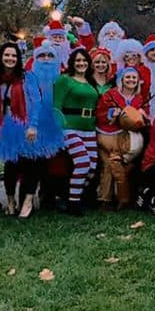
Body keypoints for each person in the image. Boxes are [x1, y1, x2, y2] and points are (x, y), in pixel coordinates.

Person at [0, 42, 65, 219]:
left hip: (26, 126)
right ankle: (11, 200)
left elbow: (36, 101)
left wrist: (33, 125)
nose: (10, 58)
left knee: (32, 164)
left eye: (14, 56)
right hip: (5, 127)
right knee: (11, 166)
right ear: (1, 57)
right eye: (7, 55)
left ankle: (28, 200)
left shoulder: (27, 77)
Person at [53, 48, 101, 216]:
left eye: (84, 60)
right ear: (72, 62)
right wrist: (59, 128)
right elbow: (56, 106)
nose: (81, 63)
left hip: (88, 128)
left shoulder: (90, 82)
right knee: (83, 162)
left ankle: (70, 196)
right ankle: (74, 203)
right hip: (69, 126)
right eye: (78, 60)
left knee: (92, 167)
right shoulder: (64, 80)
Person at [95, 67, 147, 210]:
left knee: (118, 165)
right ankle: (105, 199)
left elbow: (142, 119)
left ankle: (121, 197)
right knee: (108, 164)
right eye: (128, 77)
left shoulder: (139, 98)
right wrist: (111, 113)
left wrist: (143, 115)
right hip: (108, 135)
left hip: (126, 138)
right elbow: (99, 113)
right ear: (121, 80)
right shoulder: (110, 94)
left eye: (134, 78)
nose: (131, 80)